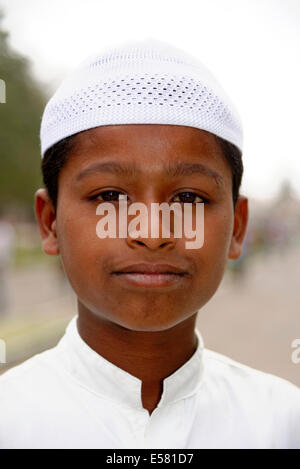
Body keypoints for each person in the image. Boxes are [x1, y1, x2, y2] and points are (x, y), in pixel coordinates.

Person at [0, 39, 299, 449]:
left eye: (189, 199)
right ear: (50, 222)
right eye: (110, 197)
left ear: (237, 227)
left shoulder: (283, 423)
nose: (153, 232)